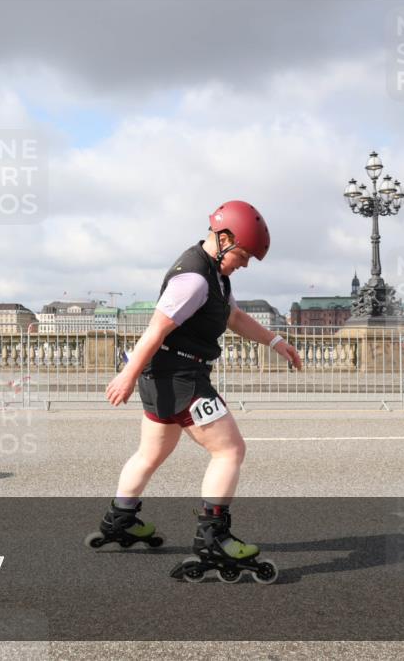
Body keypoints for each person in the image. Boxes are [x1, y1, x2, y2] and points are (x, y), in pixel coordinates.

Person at [94, 200, 302, 582]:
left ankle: (119, 519)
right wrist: (126, 375)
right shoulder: (194, 278)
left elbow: (233, 317)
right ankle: (213, 538)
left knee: (151, 452)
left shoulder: (214, 276)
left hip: (165, 377)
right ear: (224, 239)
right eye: (243, 254)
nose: (245, 263)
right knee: (230, 450)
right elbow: (155, 330)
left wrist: (275, 342)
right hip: (182, 377)